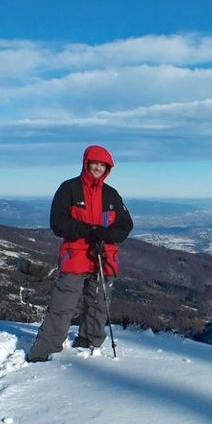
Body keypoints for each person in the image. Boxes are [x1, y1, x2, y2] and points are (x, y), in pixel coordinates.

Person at [27, 144, 134, 362]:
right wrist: (88, 230)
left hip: (104, 257)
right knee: (62, 306)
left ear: (108, 168)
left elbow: (125, 225)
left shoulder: (111, 195)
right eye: (95, 163)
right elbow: (58, 223)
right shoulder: (69, 189)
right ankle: (43, 352)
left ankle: (89, 343)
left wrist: (104, 235)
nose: (98, 168)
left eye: (103, 165)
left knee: (99, 305)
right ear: (86, 163)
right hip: (75, 256)